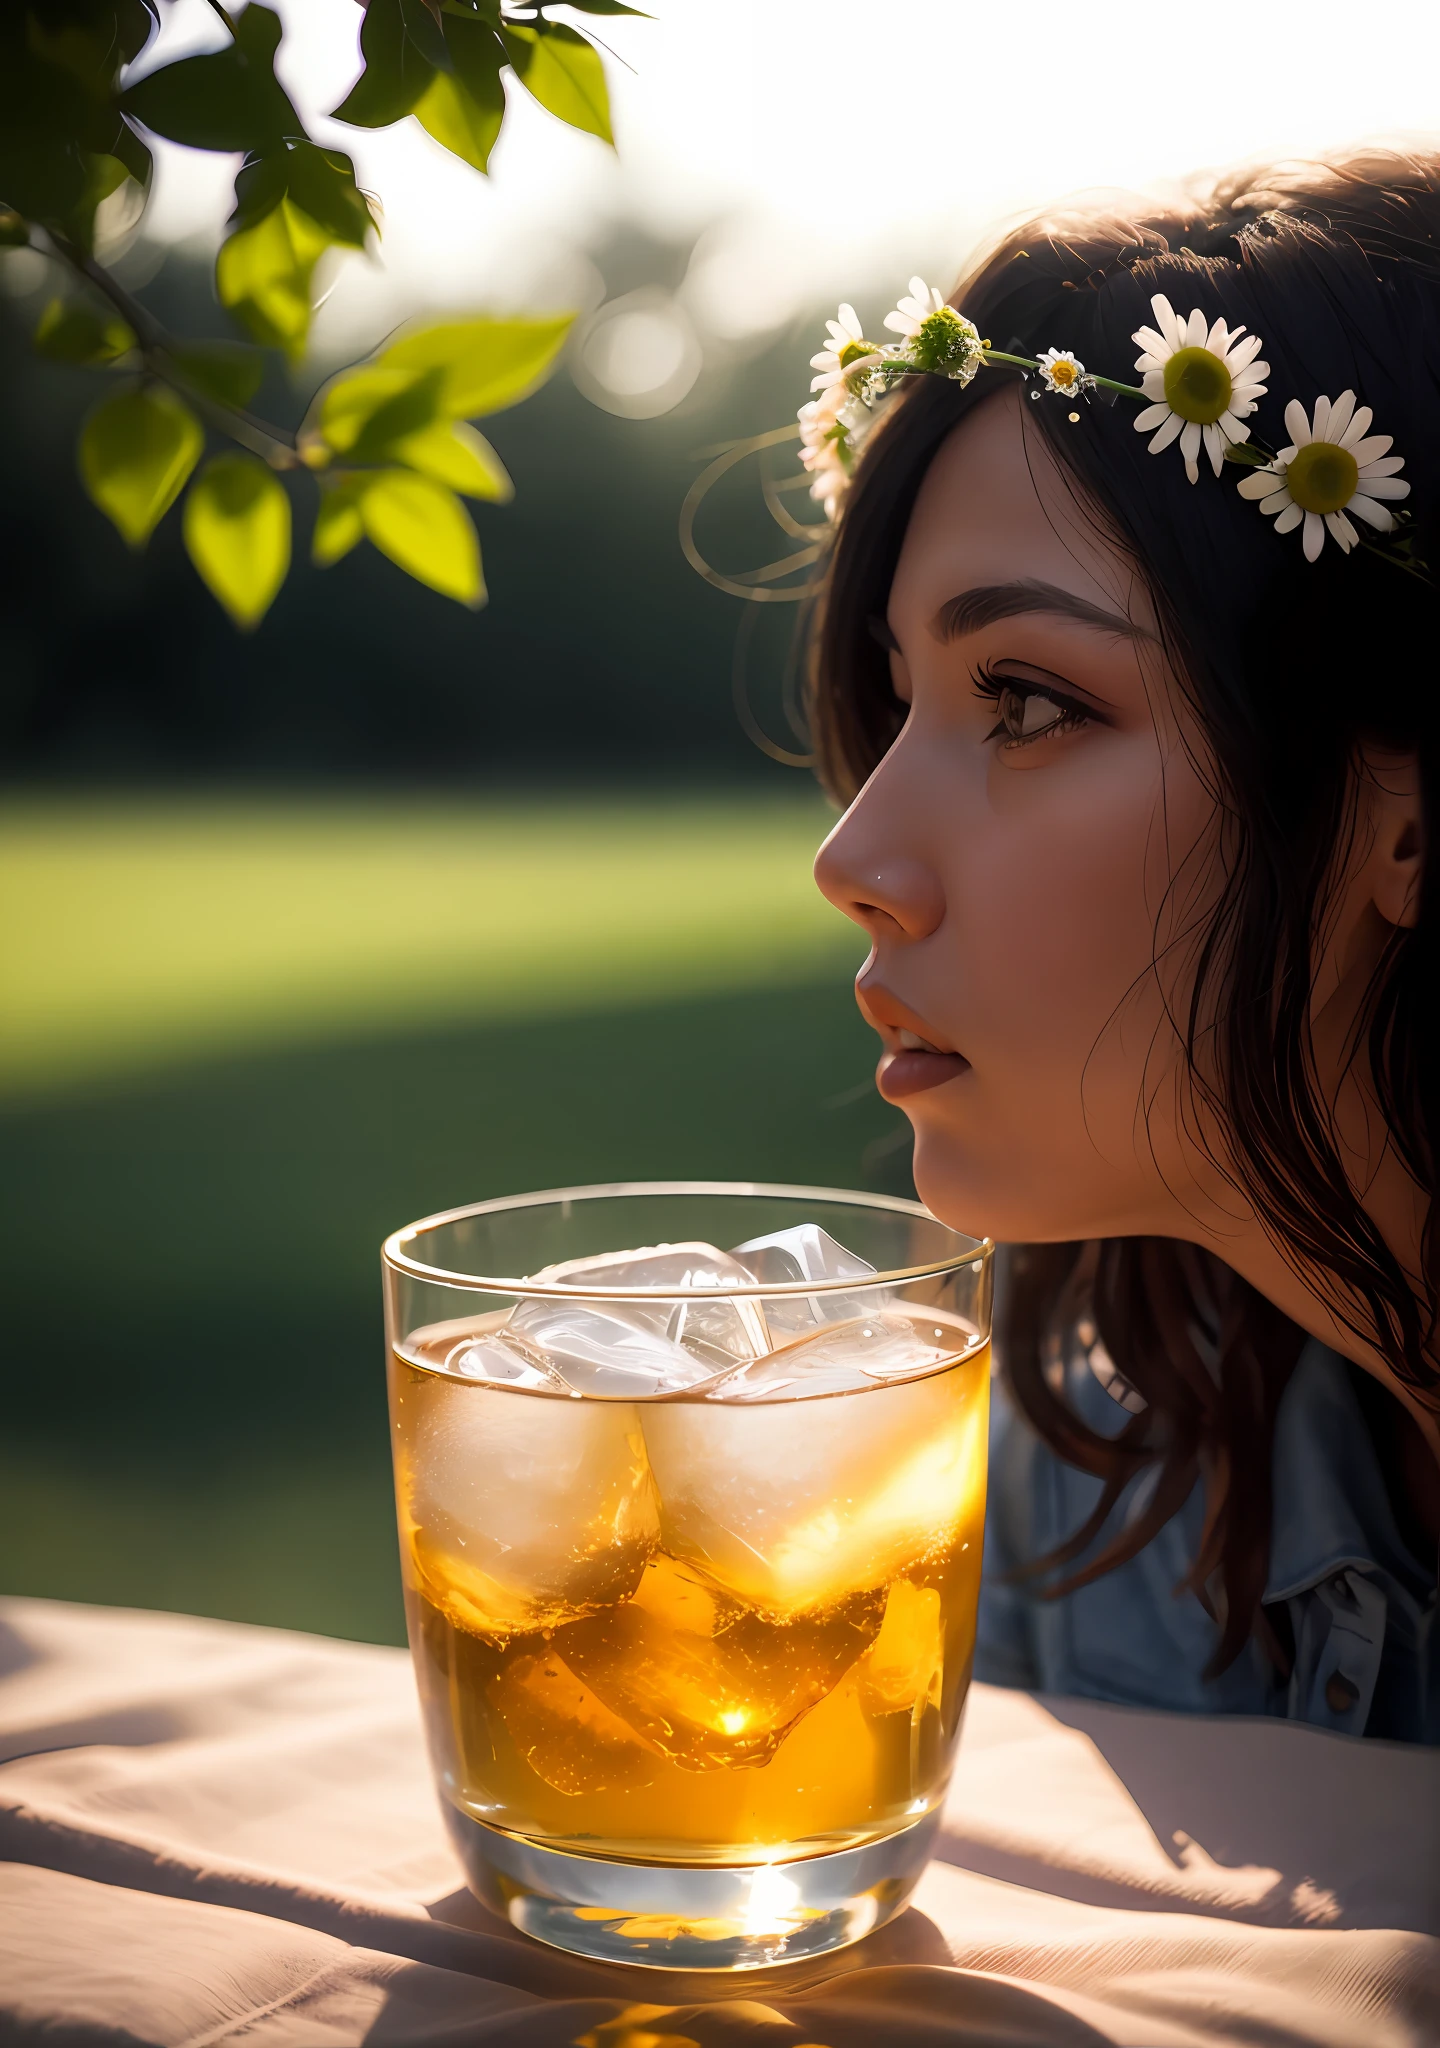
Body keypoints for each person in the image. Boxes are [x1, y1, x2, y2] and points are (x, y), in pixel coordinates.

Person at [806, 151, 1440, 1741]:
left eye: (1027, 700)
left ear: (1412, 810)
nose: (852, 861)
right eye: (901, 703)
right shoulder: (1089, 1473)